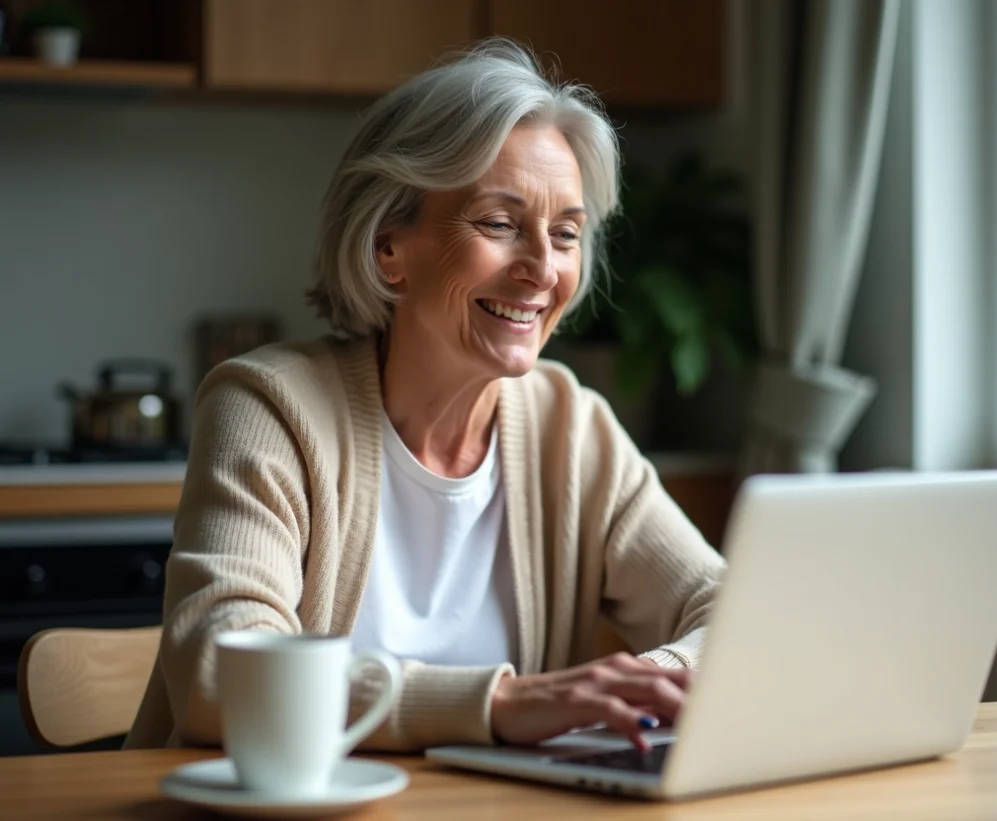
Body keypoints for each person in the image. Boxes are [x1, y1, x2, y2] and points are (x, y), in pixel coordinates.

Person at [125, 39, 726, 754]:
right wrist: (501, 702)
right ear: (389, 247)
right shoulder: (268, 408)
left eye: (565, 234)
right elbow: (220, 675)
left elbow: (730, 610)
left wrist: (651, 678)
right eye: (499, 224)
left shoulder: (571, 427)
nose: (542, 268)